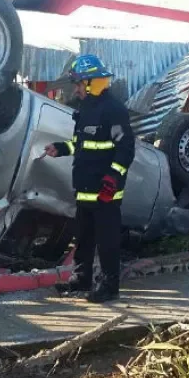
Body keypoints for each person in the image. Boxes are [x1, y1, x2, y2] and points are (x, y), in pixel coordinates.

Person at [40, 54, 135, 303]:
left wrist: (113, 177)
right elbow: (81, 145)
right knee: (83, 238)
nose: (77, 89)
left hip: (105, 191)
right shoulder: (84, 110)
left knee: (107, 241)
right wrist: (60, 148)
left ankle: (109, 286)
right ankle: (81, 279)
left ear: (93, 82)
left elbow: (126, 149)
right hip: (84, 189)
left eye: (79, 84)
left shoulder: (113, 110)